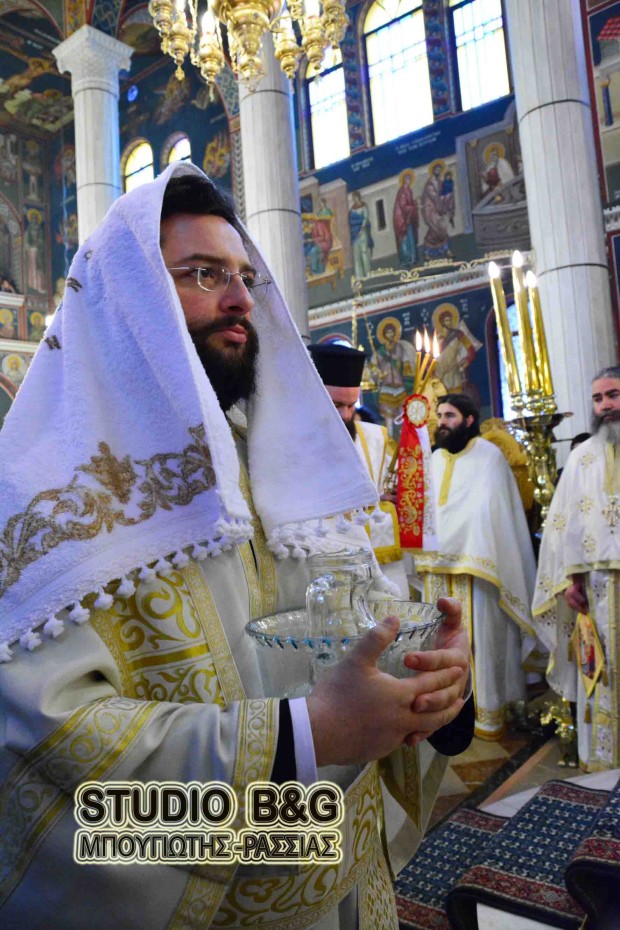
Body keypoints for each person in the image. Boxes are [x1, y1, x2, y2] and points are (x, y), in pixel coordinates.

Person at [0, 163, 473, 928]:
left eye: (245, 277)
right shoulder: (41, 492)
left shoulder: (284, 462)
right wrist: (305, 736)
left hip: (338, 884)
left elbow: (354, 617)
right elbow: (52, 731)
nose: (241, 299)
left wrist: (429, 685)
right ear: (127, 299)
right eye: (203, 273)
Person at [416, 393, 538, 740]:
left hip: (478, 570)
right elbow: (427, 511)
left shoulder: (488, 456)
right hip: (437, 568)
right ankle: (443, 711)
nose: (442, 422)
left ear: (469, 420)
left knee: (481, 642)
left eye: (450, 415)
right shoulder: (435, 458)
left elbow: (490, 513)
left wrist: (463, 543)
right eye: (440, 415)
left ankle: (486, 712)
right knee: (436, 642)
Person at [532, 366, 620, 771]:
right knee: (603, 671)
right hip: (596, 591)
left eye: (613, 395)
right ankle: (604, 761)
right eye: (598, 398)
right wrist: (570, 579)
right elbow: (563, 525)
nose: (605, 405)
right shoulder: (582, 457)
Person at [307, 341, 409, 598]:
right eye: (337, 405)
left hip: (379, 564)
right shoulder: (297, 441)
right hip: (321, 566)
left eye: (352, 406)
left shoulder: (377, 438)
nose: (346, 415)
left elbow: (395, 489)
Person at [393, 171, 418, 266]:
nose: (408, 181)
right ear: (404, 180)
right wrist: (414, 206)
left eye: (409, 179)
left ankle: (412, 258)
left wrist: (414, 204)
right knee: (405, 239)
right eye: (407, 179)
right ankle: (406, 259)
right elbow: (403, 206)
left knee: (410, 238)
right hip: (402, 219)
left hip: (408, 218)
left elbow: (409, 204)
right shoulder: (402, 192)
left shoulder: (409, 190)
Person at [349, 190, 373, 279]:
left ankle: (368, 273)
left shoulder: (364, 206)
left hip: (362, 232)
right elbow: (350, 221)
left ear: (359, 197)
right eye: (353, 198)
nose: (354, 199)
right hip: (354, 233)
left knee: (364, 252)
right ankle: (359, 275)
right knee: (357, 254)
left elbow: (365, 218)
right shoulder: (352, 208)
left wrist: (361, 228)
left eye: (355, 197)